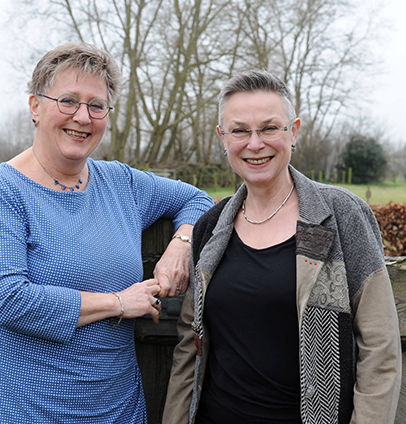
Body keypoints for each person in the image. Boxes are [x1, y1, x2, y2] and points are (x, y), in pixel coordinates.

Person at [0, 42, 213, 423]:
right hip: (22, 409)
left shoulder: (121, 184)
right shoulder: (1, 192)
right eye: (67, 101)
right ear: (35, 106)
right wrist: (117, 302)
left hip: (115, 408)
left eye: (96, 106)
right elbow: (7, 300)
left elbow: (197, 199)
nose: (83, 117)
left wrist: (181, 244)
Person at [163, 69, 401, 424]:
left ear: (294, 131)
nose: (255, 143)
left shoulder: (340, 215)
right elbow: (189, 348)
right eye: (240, 130)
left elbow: (380, 348)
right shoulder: (211, 228)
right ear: (223, 137)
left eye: (270, 128)